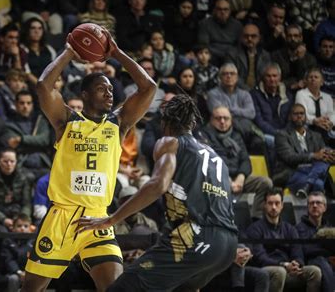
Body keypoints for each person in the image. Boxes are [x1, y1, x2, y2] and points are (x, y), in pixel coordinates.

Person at [21, 28, 157, 292]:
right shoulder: (67, 121)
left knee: (115, 287)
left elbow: (148, 87)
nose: (109, 94)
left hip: (98, 219)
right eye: (100, 89)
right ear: (84, 95)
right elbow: (43, 86)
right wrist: (70, 51)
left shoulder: (119, 124)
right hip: (62, 218)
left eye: (110, 89)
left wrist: (116, 53)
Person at [75, 93, 238, 291]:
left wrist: (111, 219)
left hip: (195, 237)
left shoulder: (170, 142)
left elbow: (157, 185)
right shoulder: (215, 157)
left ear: (165, 122)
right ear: (193, 123)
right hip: (228, 245)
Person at [202, 106, 273, 219]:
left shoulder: (236, 135)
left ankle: (256, 218)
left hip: (238, 178)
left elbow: (245, 159)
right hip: (217, 179)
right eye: (218, 118)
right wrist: (226, 179)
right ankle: (221, 219)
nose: (222, 121)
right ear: (211, 119)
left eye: (226, 118)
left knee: (266, 182)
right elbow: (209, 161)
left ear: (231, 120)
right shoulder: (204, 135)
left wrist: (241, 177)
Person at [245, 190, 322, 292]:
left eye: (277, 203)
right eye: (270, 203)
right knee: (279, 272)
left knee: (315, 271)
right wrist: (284, 265)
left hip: (288, 271)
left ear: (282, 205)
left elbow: (298, 252)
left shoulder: (290, 229)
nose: (273, 207)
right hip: (266, 270)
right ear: (264, 205)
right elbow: (260, 258)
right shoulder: (255, 228)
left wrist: (296, 264)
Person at [274, 104, 334, 198]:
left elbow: (324, 157)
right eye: (296, 114)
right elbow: (290, 158)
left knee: (326, 154)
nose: (299, 116)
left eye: (302, 114)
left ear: (305, 116)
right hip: (293, 172)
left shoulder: (316, 136)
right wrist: (314, 156)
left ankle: (308, 184)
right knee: (318, 184)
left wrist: (331, 156)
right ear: (290, 116)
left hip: (313, 171)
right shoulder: (282, 135)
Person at [5, 90, 53, 181]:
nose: (25, 106)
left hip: (43, 163)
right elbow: (13, 144)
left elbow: (44, 140)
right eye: (22, 103)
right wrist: (34, 142)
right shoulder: (9, 124)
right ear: (16, 104)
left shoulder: (40, 120)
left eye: (28, 103)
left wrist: (22, 139)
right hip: (22, 165)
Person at [0, 149, 32, 232]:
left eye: (12, 161)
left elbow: (27, 203)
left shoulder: (23, 177)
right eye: (5, 161)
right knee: (2, 232)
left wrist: (22, 219)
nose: (9, 164)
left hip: (18, 214)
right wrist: (3, 219)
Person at [296, 191, 335, 292]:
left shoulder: (329, 228)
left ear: (325, 207)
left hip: (329, 262)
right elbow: (307, 250)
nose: (314, 205)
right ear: (307, 207)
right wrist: (327, 251)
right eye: (311, 203)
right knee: (320, 260)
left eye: (318, 203)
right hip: (310, 262)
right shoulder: (299, 228)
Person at [295, 67, 335, 148]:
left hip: (326, 129)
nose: (313, 79)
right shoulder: (301, 94)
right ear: (306, 81)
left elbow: (332, 114)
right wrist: (314, 120)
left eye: (316, 77)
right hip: (308, 128)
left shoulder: (328, 97)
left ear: (322, 82)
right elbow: (301, 114)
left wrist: (330, 122)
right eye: (310, 77)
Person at [0, 213, 35, 288]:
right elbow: (8, 260)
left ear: (30, 228)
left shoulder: (34, 241)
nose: (22, 228)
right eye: (19, 226)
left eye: (26, 226)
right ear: (13, 228)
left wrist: (29, 273)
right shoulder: (8, 241)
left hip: (30, 273)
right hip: (13, 272)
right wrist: (19, 272)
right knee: (13, 279)